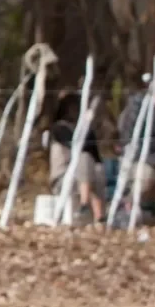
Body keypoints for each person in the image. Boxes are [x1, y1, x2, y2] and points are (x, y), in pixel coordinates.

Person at [46, 91, 106, 222]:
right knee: (83, 157)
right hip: (63, 178)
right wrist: (85, 128)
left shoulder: (85, 129)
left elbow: (96, 157)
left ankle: (97, 215)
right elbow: (77, 146)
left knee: (97, 172)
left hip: (86, 176)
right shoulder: (59, 129)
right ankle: (87, 205)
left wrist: (88, 128)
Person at [116, 81, 155, 211]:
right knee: (147, 175)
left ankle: (149, 208)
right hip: (136, 158)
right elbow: (131, 142)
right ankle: (127, 206)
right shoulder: (136, 110)